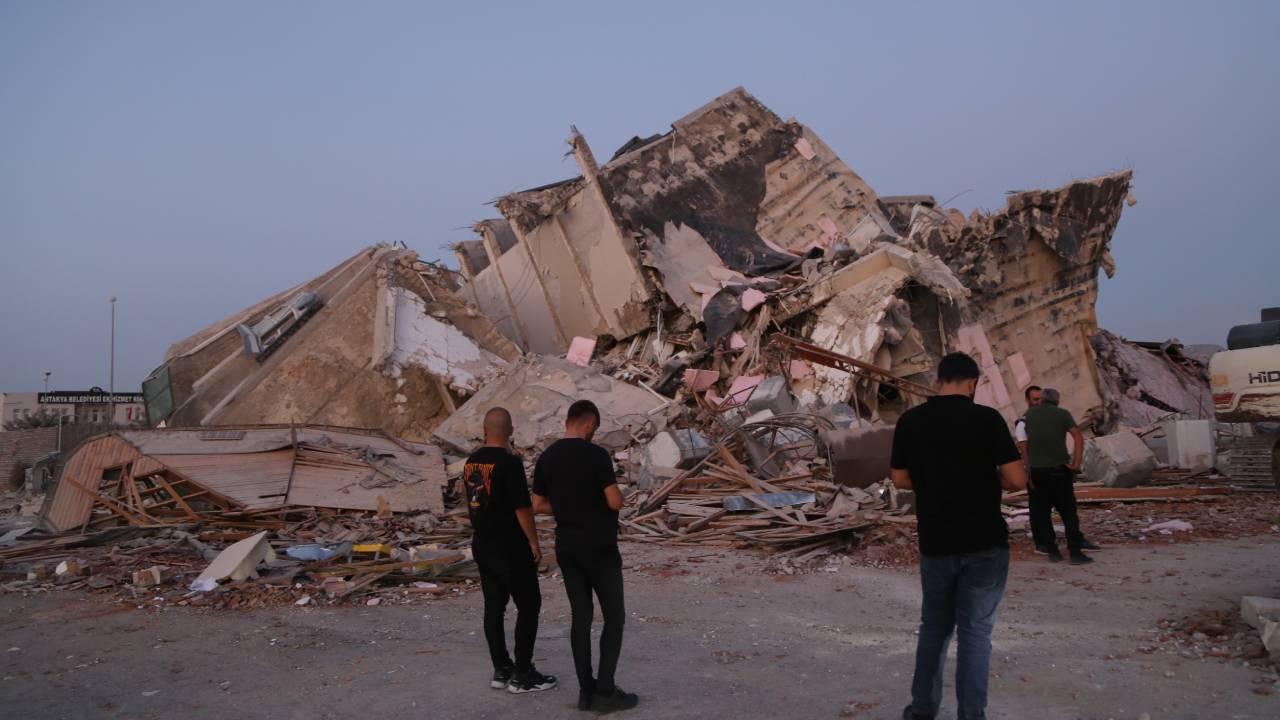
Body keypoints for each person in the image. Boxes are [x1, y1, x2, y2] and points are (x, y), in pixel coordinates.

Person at [891, 352, 1027, 720]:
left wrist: (936, 481)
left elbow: (901, 479)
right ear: (972, 384)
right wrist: (986, 478)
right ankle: (971, 715)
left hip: (936, 543)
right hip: (984, 543)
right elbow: (1016, 479)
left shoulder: (911, 421)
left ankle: (922, 709)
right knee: (975, 634)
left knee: (933, 628)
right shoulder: (987, 419)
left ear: (937, 382)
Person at [532, 400, 639, 714]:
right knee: (614, 616)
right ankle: (605, 690)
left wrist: (567, 508)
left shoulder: (547, 457)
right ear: (590, 422)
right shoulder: (596, 455)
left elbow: (538, 505)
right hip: (600, 547)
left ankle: (585, 690)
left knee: (581, 616)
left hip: (568, 547)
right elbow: (615, 502)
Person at [463, 407, 556, 694]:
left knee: (494, 606)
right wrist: (533, 542)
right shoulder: (509, 463)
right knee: (529, 605)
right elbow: (522, 507)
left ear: (484, 429)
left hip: (483, 542)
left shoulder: (471, 462)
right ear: (511, 431)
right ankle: (524, 673)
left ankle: (501, 668)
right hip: (509, 544)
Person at [1023, 388, 1097, 564]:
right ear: (1057, 400)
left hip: (1037, 471)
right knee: (1068, 513)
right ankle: (1075, 553)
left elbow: (1024, 445)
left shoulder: (1028, 415)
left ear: (1041, 399)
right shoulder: (1062, 414)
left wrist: (1028, 471)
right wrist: (1076, 463)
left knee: (1042, 513)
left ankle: (1053, 551)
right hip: (1059, 471)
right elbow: (1078, 437)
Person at [1013, 385, 1043, 463]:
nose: (1039, 403)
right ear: (1027, 400)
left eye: (1042, 399)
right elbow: (1025, 454)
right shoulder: (1022, 425)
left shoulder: (1049, 416)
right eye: (1036, 400)